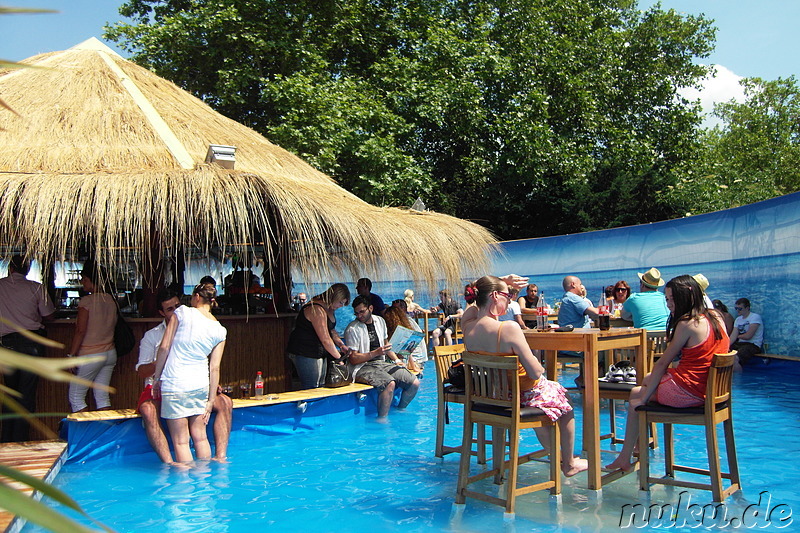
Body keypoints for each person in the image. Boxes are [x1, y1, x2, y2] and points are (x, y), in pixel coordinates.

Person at [461, 275, 588, 477]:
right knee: (565, 401)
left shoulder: (467, 328)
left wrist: (496, 284)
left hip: (498, 396)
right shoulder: (508, 328)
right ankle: (569, 462)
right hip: (523, 394)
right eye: (506, 295)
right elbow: (535, 372)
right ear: (494, 296)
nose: (510, 299)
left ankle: (560, 457)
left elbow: (473, 309)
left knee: (546, 402)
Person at [605, 275, 729, 472]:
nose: (669, 304)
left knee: (636, 395)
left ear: (684, 299)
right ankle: (637, 444)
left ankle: (625, 457)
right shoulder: (716, 317)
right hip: (709, 390)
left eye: (671, 299)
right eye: (667, 299)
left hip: (689, 392)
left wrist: (644, 397)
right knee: (645, 379)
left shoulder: (687, 323)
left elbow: (663, 362)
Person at [136, 290, 232, 463]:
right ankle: (204, 479)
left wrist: (158, 378)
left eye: (176, 306)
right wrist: (209, 401)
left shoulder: (184, 314)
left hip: (175, 383)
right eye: (169, 309)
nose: (174, 310)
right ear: (161, 313)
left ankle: (184, 484)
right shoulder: (216, 328)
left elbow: (164, 348)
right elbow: (214, 367)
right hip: (199, 384)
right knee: (200, 437)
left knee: (181, 442)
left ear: (195, 298)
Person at [0, 255, 56, 442]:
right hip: (31, 345)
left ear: (10, 269)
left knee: (11, 392)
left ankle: (6, 439)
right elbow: (48, 316)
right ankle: (20, 440)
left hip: (7, 345)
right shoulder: (36, 288)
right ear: (28, 269)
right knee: (26, 395)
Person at [344, 296, 420, 420]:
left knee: (414, 382)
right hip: (362, 367)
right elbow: (353, 359)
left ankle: (399, 410)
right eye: (356, 313)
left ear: (371, 308)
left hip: (381, 363)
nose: (359, 316)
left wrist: (397, 360)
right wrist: (374, 353)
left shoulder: (380, 321)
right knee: (389, 383)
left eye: (362, 312)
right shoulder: (352, 329)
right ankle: (382, 419)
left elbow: (386, 346)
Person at [67, 263, 119, 413]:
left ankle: (87, 434)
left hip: (91, 354)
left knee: (76, 397)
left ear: (92, 280)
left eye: (85, 279)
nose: (82, 282)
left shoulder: (87, 302)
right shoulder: (110, 300)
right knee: (102, 396)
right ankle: (106, 434)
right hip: (110, 352)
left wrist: (72, 355)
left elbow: (80, 330)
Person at [286, 283, 351, 389]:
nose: (341, 306)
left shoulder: (329, 308)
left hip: (319, 352)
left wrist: (341, 344)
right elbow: (325, 339)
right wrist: (339, 359)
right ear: (334, 297)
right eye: (340, 302)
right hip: (306, 351)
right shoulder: (316, 309)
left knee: (321, 386)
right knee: (311, 386)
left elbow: (331, 330)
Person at [386, 300, 427, 370]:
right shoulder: (406, 321)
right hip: (420, 359)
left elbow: (403, 351)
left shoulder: (402, 326)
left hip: (415, 359)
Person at [729, 298, 764, 371]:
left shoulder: (755, 317)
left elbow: (748, 336)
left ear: (747, 308)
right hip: (740, 343)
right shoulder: (738, 319)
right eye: (736, 308)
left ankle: (737, 379)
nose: (738, 310)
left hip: (752, 345)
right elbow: (733, 336)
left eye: (740, 309)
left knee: (735, 359)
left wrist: (737, 336)